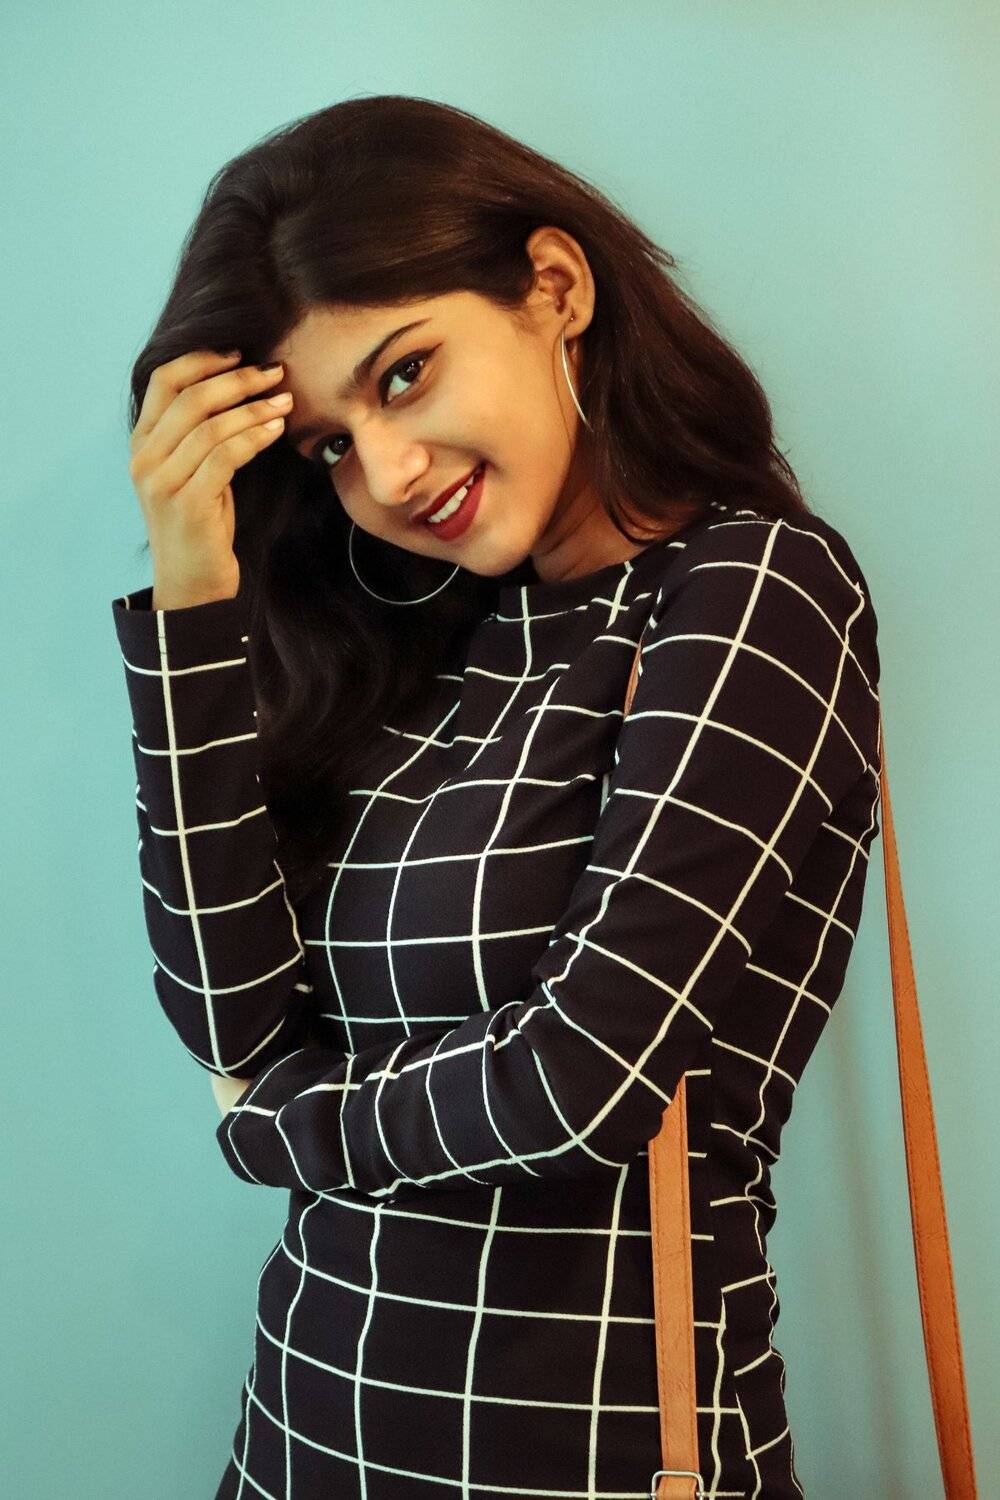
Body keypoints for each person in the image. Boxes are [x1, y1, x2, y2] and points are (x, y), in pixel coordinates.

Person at [113, 95, 881, 1500]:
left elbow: (577, 1082)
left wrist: (285, 1125)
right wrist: (193, 596)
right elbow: (234, 1018)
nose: (388, 473)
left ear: (555, 288)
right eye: (329, 445)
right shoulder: (425, 646)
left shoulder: (754, 592)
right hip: (299, 1442)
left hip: (596, 1461)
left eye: (404, 375)